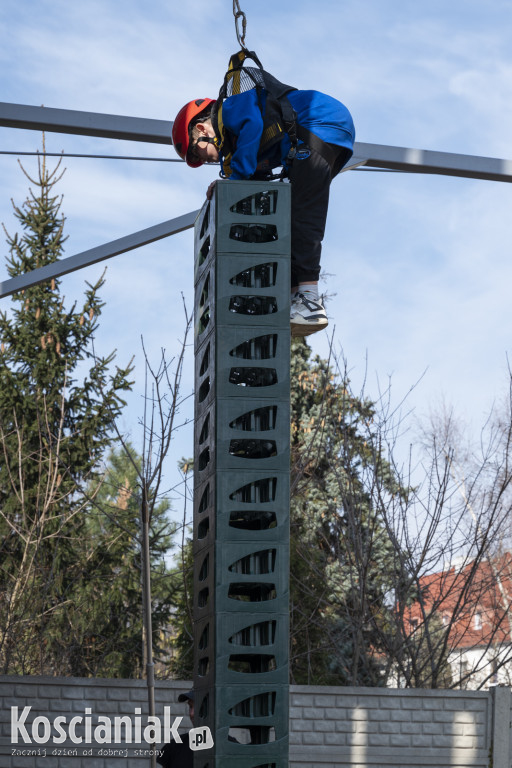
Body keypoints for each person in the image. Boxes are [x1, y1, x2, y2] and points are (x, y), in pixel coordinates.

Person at [172, 71, 355, 338]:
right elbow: (253, 170)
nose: (205, 160)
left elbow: (252, 125)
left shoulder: (232, 106)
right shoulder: (239, 140)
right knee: (291, 218)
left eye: (197, 152)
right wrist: (230, 181)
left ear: (202, 129)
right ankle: (296, 298)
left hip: (317, 127)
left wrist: (233, 178)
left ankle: (309, 298)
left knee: (302, 216)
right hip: (323, 133)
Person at [156, 690, 194, 768]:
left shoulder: (224, 747)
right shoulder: (174, 747)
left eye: (198, 706)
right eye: (190, 706)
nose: (191, 713)